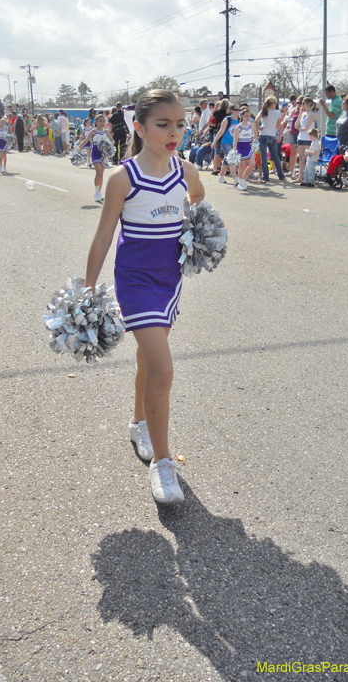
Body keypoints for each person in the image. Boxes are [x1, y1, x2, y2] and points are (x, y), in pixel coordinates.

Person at [85, 90, 204, 505]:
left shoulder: (185, 171)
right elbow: (103, 236)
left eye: (180, 124)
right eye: (163, 124)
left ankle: (139, 422)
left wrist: (197, 233)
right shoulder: (123, 178)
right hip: (134, 282)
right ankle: (164, 464)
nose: (174, 132)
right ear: (139, 127)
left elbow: (199, 198)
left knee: (148, 360)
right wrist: (87, 288)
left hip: (169, 280)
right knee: (163, 369)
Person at [78, 114, 113, 202]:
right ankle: (96, 193)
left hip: (103, 154)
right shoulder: (93, 131)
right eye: (100, 121)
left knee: (101, 175)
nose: (102, 123)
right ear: (96, 122)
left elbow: (112, 141)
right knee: (98, 172)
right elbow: (86, 140)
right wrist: (78, 149)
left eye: (103, 121)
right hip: (95, 153)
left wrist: (109, 146)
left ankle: (99, 192)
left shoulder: (106, 131)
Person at [255, 96, 285, 183]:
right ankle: (280, 174)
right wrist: (284, 121)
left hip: (263, 134)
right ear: (273, 104)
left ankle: (265, 176)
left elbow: (256, 120)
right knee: (275, 156)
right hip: (272, 135)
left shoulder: (263, 111)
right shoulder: (278, 113)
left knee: (264, 156)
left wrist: (259, 127)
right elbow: (279, 126)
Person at [232, 106, 258, 191]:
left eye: (249, 116)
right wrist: (234, 150)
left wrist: (254, 141)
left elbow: (255, 134)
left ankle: (243, 178)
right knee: (241, 166)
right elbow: (235, 140)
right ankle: (240, 182)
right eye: (246, 116)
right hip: (240, 147)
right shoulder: (238, 127)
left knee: (252, 163)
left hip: (248, 147)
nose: (248, 117)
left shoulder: (251, 125)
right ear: (242, 116)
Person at [292, 96, 317, 184]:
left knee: (307, 158)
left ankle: (308, 177)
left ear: (309, 104)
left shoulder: (312, 114)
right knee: (301, 158)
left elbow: (306, 128)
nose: (301, 105)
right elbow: (296, 125)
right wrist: (299, 114)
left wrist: (300, 128)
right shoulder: (303, 114)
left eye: (303, 103)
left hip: (307, 138)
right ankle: (300, 177)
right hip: (300, 138)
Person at [215, 105, 241, 185]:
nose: (237, 111)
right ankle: (236, 179)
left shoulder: (240, 120)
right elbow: (221, 131)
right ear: (231, 110)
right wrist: (214, 141)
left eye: (238, 109)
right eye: (236, 109)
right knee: (231, 159)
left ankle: (221, 176)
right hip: (225, 142)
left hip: (234, 143)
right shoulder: (227, 119)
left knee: (227, 160)